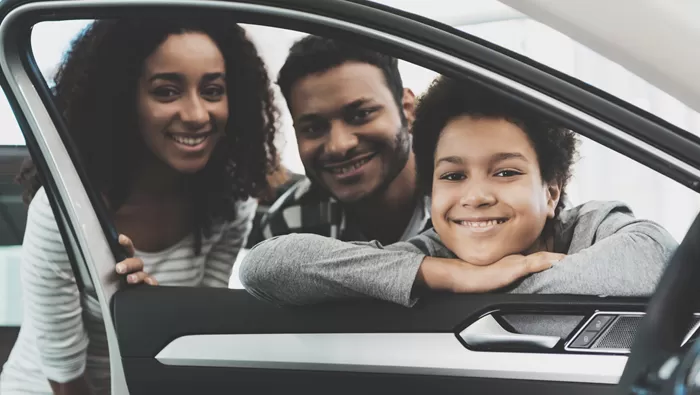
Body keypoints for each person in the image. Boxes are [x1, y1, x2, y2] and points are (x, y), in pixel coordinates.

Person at [0, 15, 278, 395]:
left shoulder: (231, 204)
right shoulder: (61, 214)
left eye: (212, 90)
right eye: (167, 92)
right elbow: (66, 382)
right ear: (124, 99)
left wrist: (150, 309)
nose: (197, 114)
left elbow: (198, 335)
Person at [240, 76, 677, 307]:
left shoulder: (590, 227)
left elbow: (656, 257)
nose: (476, 196)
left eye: (505, 172)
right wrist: (455, 276)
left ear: (550, 192)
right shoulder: (433, 254)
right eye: (453, 176)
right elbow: (265, 267)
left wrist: (495, 287)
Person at [258, 35, 429, 245]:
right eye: (313, 128)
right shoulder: (289, 224)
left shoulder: (466, 198)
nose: (339, 146)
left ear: (407, 109)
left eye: (361, 115)